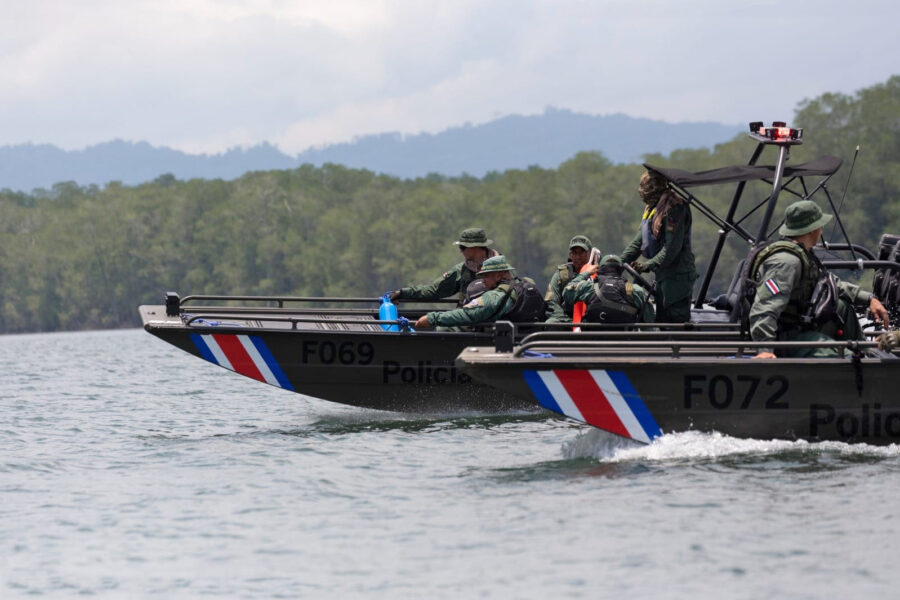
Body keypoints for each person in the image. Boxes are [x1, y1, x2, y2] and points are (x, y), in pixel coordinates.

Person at [749, 200, 889, 359]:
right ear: (812, 230)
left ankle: (865, 354)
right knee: (846, 356)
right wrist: (765, 348)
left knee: (842, 307)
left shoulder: (803, 255)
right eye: (820, 225)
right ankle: (861, 365)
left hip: (800, 328)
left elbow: (831, 284)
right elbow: (765, 307)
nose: (821, 230)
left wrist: (869, 299)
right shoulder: (786, 263)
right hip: (785, 339)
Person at [620, 170, 697, 322]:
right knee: (661, 319)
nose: (643, 195)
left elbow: (671, 250)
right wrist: (615, 263)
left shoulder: (673, 209)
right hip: (663, 274)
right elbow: (638, 242)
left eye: (645, 191)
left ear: (654, 190)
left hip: (677, 276)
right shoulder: (653, 209)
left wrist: (647, 265)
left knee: (673, 321)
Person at [414, 256, 543, 331]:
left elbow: (467, 314)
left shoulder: (495, 297)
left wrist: (432, 318)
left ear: (498, 275)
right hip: (525, 338)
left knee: (444, 330)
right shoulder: (525, 285)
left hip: (502, 346)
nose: (483, 281)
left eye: (486, 276)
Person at [389, 228, 499, 307]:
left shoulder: (501, 270)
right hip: (466, 323)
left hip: (492, 325)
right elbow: (435, 290)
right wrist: (403, 293)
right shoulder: (461, 270)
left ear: (476, 247)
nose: (460, 251)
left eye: (463, 247)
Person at [561, 255, 654, 324]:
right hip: (624, 344)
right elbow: (649, 322)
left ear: (600, 269)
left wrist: (586, 273)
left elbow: (567, 293)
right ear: (620, 270)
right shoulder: (632, 289)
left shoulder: (590, 287)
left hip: (593, 344)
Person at [544, 235, 595, 323]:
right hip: (566, 319)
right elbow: (552, 301)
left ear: (590, 254)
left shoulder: (597, 273)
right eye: (575, 253)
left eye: (582, 253)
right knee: (551, 323)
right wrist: (568, 321)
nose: (578, 257)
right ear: (570, 255)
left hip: (591, 319)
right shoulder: (563, 274)